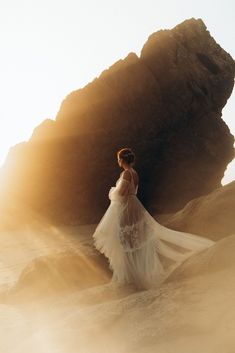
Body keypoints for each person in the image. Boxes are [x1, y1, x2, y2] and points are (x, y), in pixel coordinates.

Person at [92, 147, 215, 290]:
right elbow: (132, 192)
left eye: (118, 158)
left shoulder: (126, 173)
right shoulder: (134, 173)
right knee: (134, 241)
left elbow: (121, 194)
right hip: (134, 206)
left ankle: (132, 277)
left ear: (122, 160)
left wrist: (112, 191)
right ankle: (135, 274)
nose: (118, 161)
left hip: (126, 208)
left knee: (126, 242)